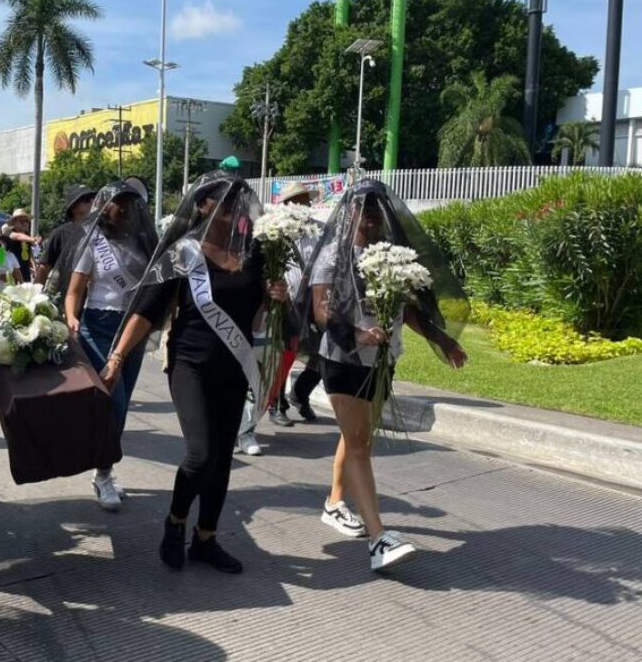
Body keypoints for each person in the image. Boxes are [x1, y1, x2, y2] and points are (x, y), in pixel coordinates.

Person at [102, 172, 290, 574]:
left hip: (234, 368)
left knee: (221, 458)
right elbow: (148, 309)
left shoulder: (257, 253)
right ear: (202, 205)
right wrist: (117, 357)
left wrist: (276, 298)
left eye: (239, 201)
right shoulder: (183, 252)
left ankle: (206, 539)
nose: (233, 207)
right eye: (223, 201)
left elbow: (255, 321)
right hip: (190, 364)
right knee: (200, 454)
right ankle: (175, 521)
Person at [300, 179, 468, 570]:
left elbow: (407, 311)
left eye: (378, 209)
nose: (372, 215)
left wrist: (443, 340)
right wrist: (356, 333)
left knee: (358, 437)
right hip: (342, 358)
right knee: (358, 441)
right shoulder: (332, 256)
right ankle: (378, 539)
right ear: (350, 213)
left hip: (382, 361)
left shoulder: (392, 258)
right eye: (364, 207)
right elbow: (320, 310)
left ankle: (333, 503)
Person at [64, 182, 158, 511]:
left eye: (132, 204)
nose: (126, 209)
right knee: (112, 401)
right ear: (106, 207)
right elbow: (74, 291)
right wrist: (71, 318)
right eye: (120, 203)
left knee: (123, 403)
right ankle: (103, 474)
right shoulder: (93, 241)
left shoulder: (146, 244)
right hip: (97, 327)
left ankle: (104, 470)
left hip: (133, 329)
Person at [234, 181, 321, 455]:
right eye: (296, 201)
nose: (301, 206)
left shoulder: (313, 233)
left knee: (273, 367)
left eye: (305, 201)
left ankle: (248, 427)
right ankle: (238, 427)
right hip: (250, 315)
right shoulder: (261, 234)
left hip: (291, 311)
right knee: (243, 374)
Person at [35, 185, 96, 294]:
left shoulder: (103, 231)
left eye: (93, 198)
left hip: (96, 300)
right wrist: (34, 298)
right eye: (86, 200)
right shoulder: (60, 233)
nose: (92, 202)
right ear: (73, 208)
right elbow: (44, 268)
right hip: (66, 297)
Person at [2, 208, 40, 281]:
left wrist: (34, 266)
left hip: (25, 270)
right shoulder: (10, 232)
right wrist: (32, 239)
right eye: (21, 221)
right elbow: (17, 236)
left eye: (26, 221)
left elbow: (29, 252)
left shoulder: (27, 235)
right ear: (14, 222)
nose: (24, 223)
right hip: (14, 271)